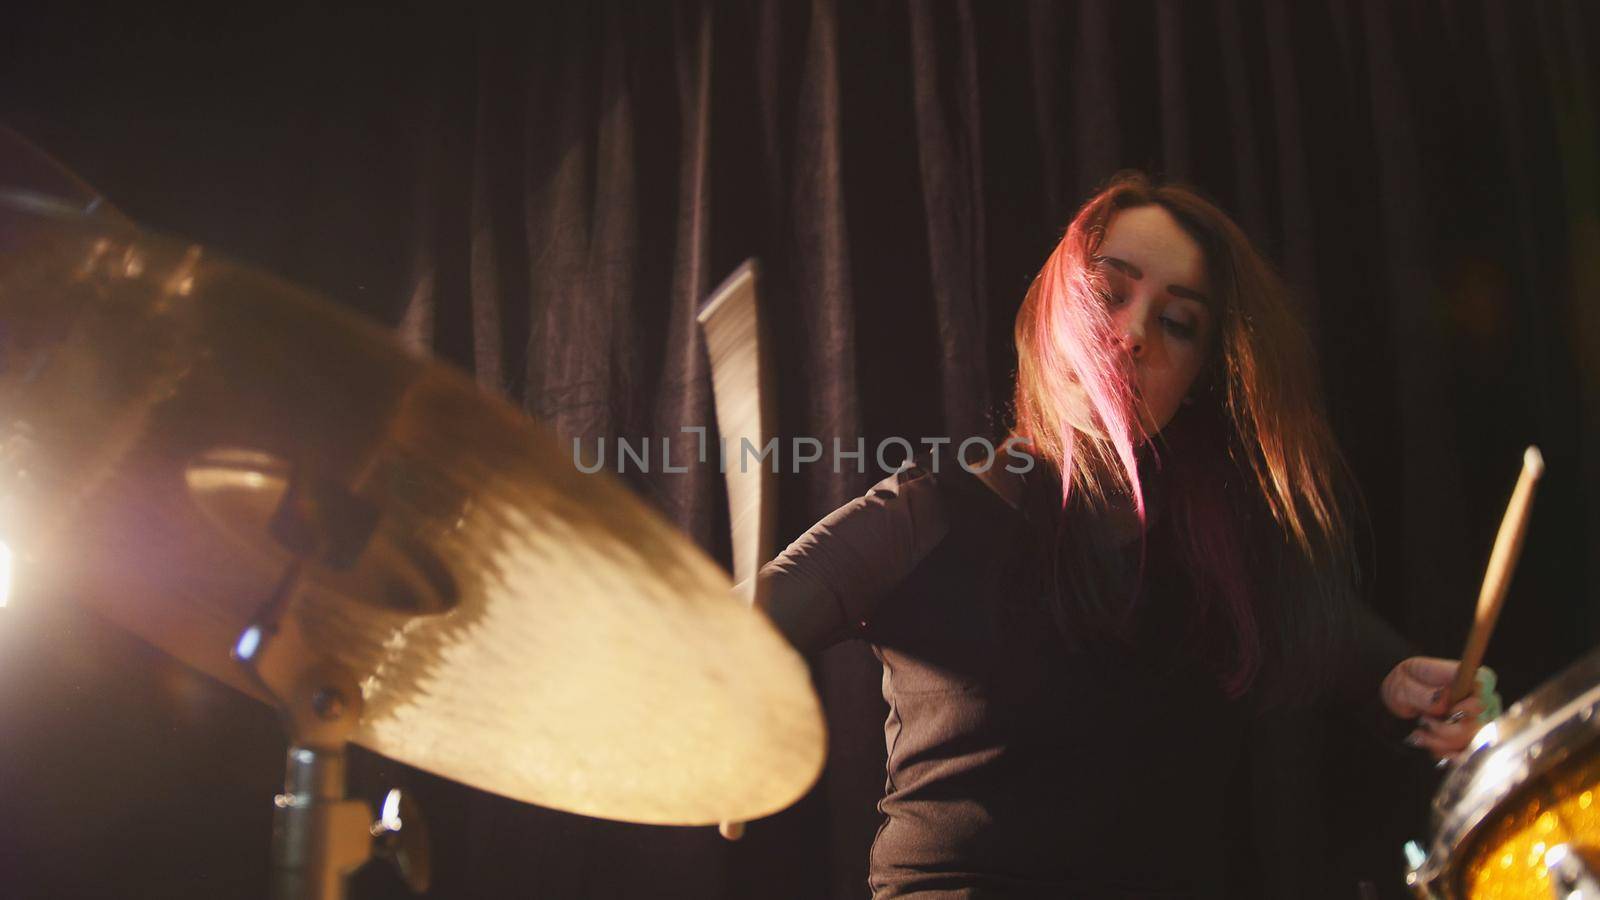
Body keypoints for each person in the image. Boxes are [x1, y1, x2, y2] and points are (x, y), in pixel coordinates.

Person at [751, 173, 1495, 897]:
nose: (1134, 333)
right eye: (1110, 292)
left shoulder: (1231, 556)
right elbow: (720, 634)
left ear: (1200, 379)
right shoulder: (924, 515)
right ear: (1051, 313)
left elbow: (1370, 665)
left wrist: (1412, 689)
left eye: (1178, 323)